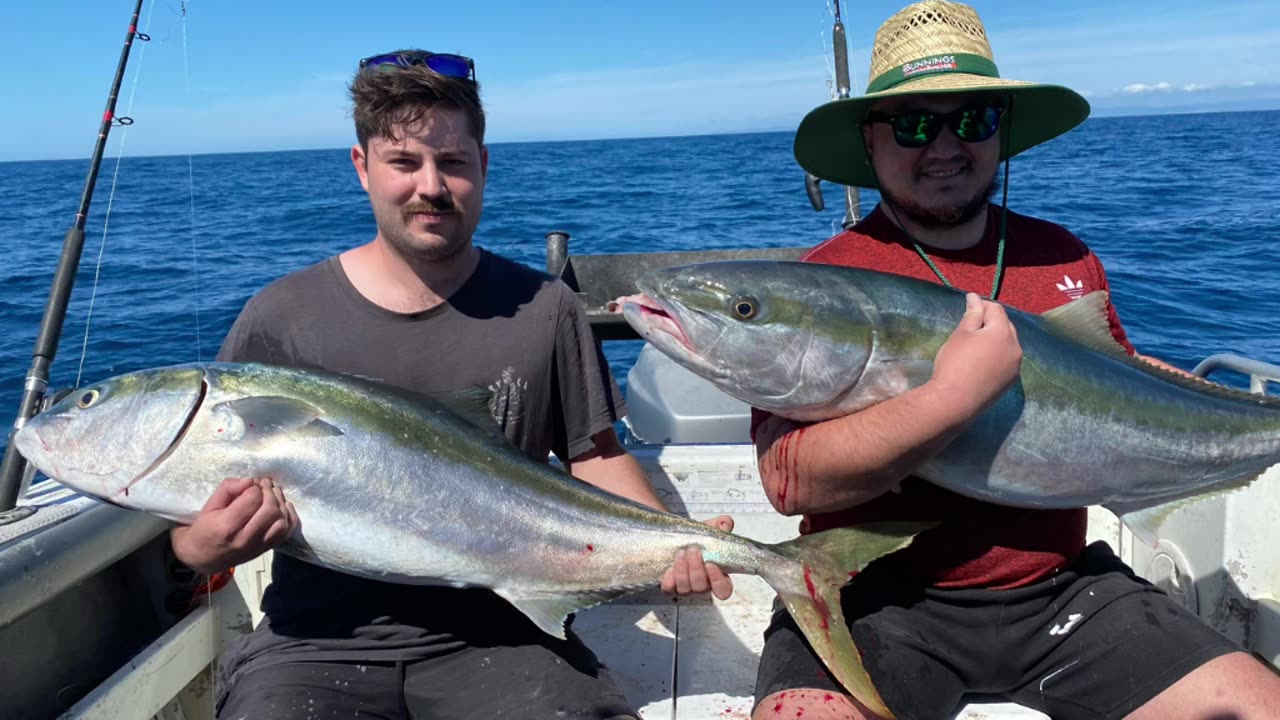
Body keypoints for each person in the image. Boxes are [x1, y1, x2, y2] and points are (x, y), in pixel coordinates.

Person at [750, 3, 1280, 720]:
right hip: (875, 597)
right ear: (870, 141)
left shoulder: (1064, 256)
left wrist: (1208, 410)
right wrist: (952, 395)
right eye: (912, 123)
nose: (943, 144)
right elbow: (791, 481)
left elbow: (1114, 379)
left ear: (1001, 132)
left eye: (972, 120)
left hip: (1063, 592)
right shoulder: (833, 279)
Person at [168, 49, 733, 720]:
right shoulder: (281, 317)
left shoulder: (544, 307)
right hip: (314, 643)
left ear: (484, 168)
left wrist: (675, 540)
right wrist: (197, 550)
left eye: (454, 163)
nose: (430, 185)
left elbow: (597, 454)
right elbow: (196, 507)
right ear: (363, 168)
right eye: (404, 162)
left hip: (509, 632)